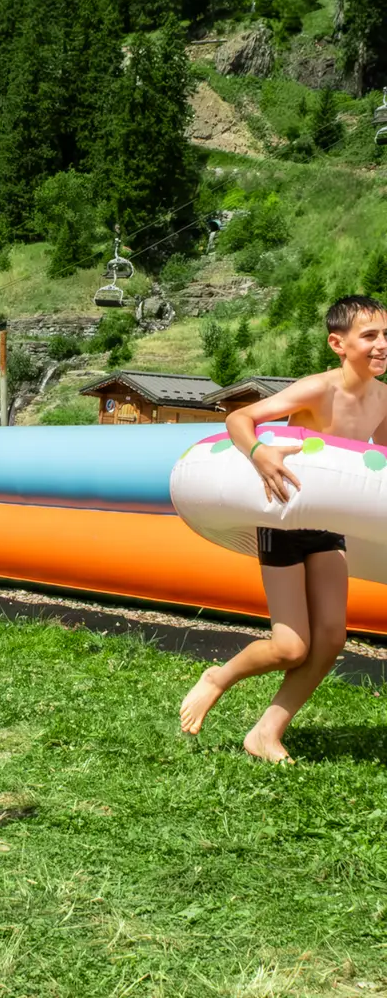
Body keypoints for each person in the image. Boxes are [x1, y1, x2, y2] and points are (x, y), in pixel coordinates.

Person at [179, 294, 387, 762]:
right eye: (370, 336)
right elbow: (240, 418)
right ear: (338, 343)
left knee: (332, 638)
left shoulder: (383, 398)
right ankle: (218, 676)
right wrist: (260, 453)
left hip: (328, 523)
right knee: (291, 647)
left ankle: (266, 732)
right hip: (286, 514)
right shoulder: (319, 389)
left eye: (386, 335)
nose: (382, 345)